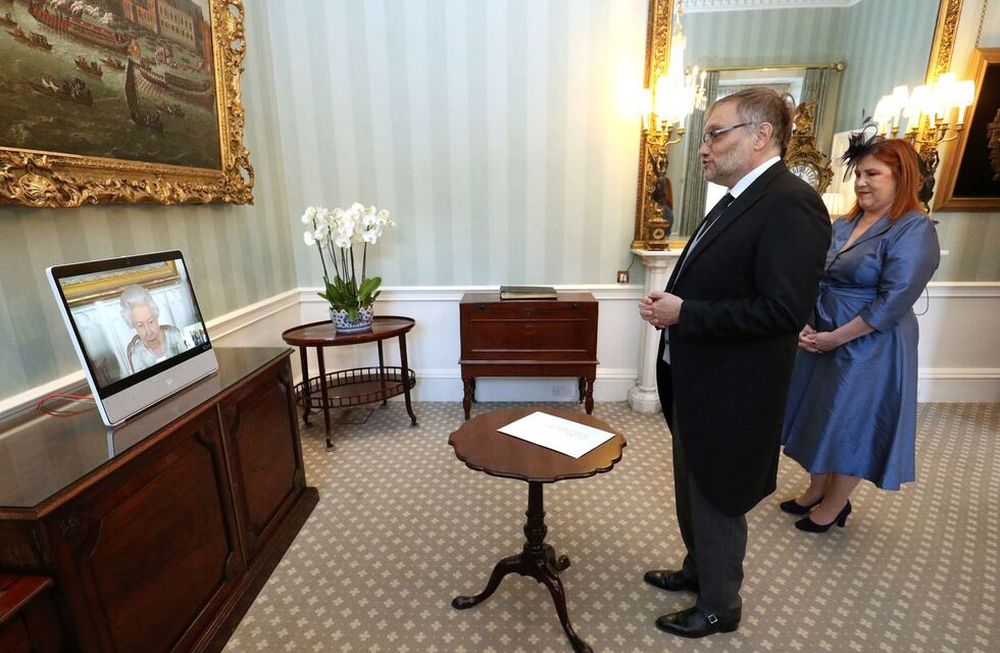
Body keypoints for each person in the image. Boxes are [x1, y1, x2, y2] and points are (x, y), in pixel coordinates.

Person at [638, 87, 830, 639]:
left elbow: (782, 310)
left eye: (716, 133)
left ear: (761, 135)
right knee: (691, 486)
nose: (703, 147)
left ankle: (720, 606)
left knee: (718, 494)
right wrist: (674, 309)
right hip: (701, 380)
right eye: (705, 135)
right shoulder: (736, 198)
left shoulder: (790, 201)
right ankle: (699, 570)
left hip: (735, 390)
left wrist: (687, 313)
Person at [779, 136, 940, 532]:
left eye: (873, 174)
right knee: (818, 414)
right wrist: (806, 322)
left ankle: (834, 505)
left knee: (851, 422)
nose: (862, 183)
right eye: (858, 175)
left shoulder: (913, 228)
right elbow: (815, 274)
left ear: (901, 178)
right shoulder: (846, 222)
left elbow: (894, 299)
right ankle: (816, 488)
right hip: (822, 334)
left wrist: (837, 338)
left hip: (871, 343)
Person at [119, 285, 186, 373]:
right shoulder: (137, 354)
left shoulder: (174, 336)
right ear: (133, 326)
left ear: (156, 316)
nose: (149, 332)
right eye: (140, 325)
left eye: (151, 321)